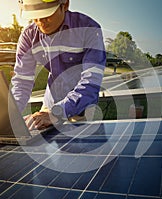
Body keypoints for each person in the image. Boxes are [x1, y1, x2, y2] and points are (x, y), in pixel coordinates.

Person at [12, 0, 106, 130]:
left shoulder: (89, 29)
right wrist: (8, 115)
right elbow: (22, 82)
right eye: (35, 16)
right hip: (49, 107)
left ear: (65, 4)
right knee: (43, 146)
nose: (40, 21)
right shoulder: (29, 36)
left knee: (83, 146)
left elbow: (91, 82)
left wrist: (57, 113)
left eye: (46, 14)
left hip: (83, 110)